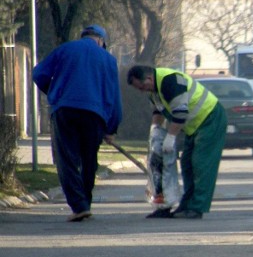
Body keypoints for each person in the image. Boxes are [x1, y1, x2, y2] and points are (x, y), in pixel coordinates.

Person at [33, 24, 123, 222]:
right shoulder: (108, 59)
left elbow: (38, 74)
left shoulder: (65, 49)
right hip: (95, 114)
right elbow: (114, 96)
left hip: (65, 110)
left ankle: (79, 205)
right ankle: (85, 203)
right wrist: (111, 127)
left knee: (67, 159)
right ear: (101, 41)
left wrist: (55, 92)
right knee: (89, 159)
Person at [127, 65, 227, 219]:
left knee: (201, 163)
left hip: (210, 118)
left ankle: (197, 207)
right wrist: (155, 129)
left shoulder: (170, 81)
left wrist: (171, 137)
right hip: (194, 126)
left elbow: (180, 113)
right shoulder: (154, 90)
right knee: (187, 164)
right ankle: (186, 205)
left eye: (142, 87)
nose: (142, 90)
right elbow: (158, 111)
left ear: (149, 78)